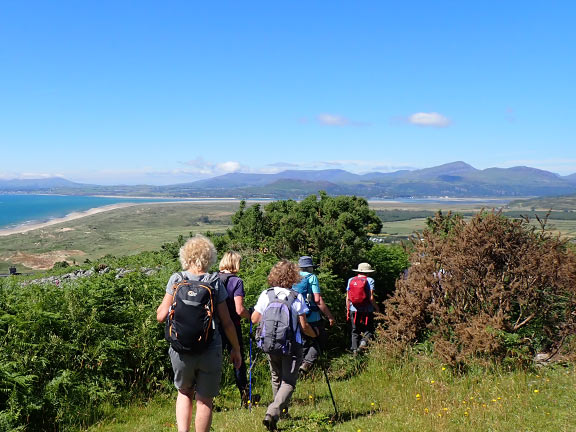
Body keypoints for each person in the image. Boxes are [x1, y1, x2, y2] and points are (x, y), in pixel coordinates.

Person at [156, 235, 241, 432]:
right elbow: (227, 322)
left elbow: (161, 316)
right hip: (210, 348)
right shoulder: (214, 281)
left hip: (180, 350)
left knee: (184, 392)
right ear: (209, 257)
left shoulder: (177, 279)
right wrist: (235, 348)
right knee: (205, 400)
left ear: (185, 256)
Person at [251, 260, 318, 431]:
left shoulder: (266, 294)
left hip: (270, 343)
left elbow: (254, 319)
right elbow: (304, 326)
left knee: (276, 377)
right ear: (293, 277)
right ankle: (273, 411)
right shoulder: (297, 297)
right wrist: (315, 334)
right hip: (291, 345)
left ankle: (280, 411)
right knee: (288, 382)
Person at [218, 251, 252, 407]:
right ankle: (245, 398)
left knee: (213, 362)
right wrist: (251, 315)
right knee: (238, 362)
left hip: (213, 327)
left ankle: (208, 400)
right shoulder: (237, 281)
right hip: (232, 326)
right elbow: (239, 310)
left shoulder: (212, 279)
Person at [292, 256, 335, 374]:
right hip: (312, 317)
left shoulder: (293, 278)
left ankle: (298, 371)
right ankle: (307, 363)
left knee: (303, 342)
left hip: (296, 316)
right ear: (310, 267)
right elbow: (317, 299)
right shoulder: (312, 277)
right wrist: (329, 316)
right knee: (321, 339)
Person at [346, 262, 380, 355]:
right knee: (369, 329)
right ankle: (363, 344)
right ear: (368, 272)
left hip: (354, 309)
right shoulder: (370, 280)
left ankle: (354, 352)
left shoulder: (351, 280)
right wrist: (377, 308)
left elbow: (348, 297)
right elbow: (371, 297)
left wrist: (348, 309)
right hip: (367, 310)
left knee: (354, 330)